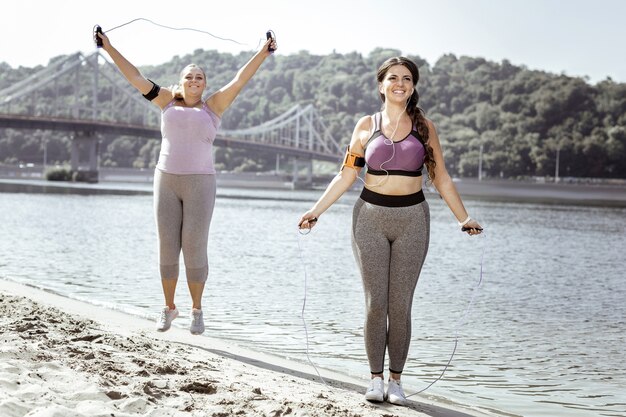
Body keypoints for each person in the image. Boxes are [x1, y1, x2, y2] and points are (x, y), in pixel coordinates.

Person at [298, 56, 482, 406]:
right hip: (368, 217)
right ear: (381, 84)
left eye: (408, 79)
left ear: (413, 86)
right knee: (374, 303)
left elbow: (440, 177)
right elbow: (347, 175)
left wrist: (463, 218)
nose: (401, 83)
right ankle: (375, 379)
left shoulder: (425, 126)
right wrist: (315, 210)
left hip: (413, 219)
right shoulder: (366, 126)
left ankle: (396, 380)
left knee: (400, 304)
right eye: (393, 78)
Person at [97, 30, 277, 335]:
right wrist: (109, 47)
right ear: (181, 82)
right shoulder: (165, 101)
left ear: (205, 84)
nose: (194, 81)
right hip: (165, 180)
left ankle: (196, 309)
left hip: (200, 184)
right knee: (167, 246)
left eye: (200, 78)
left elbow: (239, 80)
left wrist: (263, 52)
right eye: (189, 76)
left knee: (194, 246)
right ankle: (168, 308)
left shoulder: (214, 107)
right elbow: (136, 77)